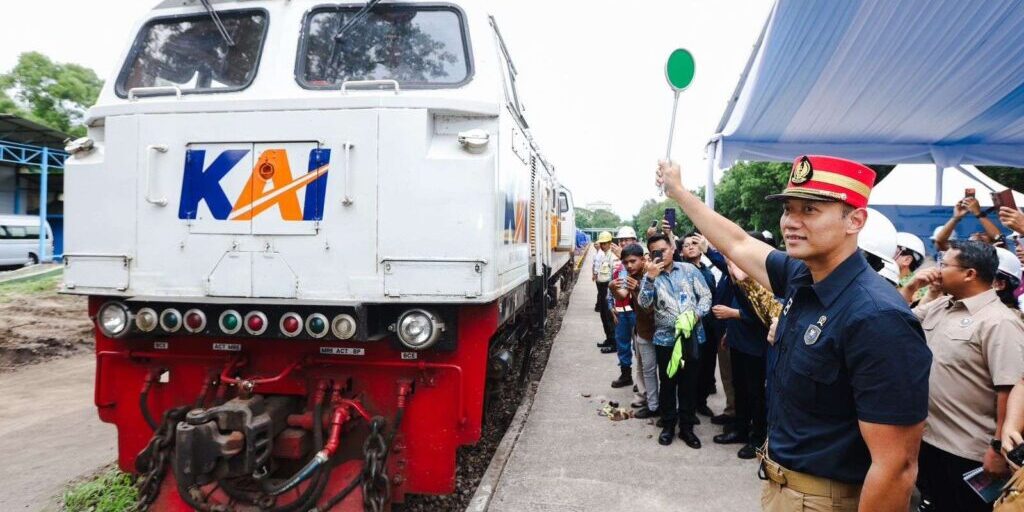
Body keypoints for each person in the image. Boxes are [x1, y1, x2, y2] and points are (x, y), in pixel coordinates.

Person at [657, 155, 931, 512]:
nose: (791, 222)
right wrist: (679, 192)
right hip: (783, 486)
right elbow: (737, 242)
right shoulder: (804, 276)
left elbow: (896, 466)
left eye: (810, 210)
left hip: (826, 499)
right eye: (789, 209)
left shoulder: (877, 318)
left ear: (855, 220)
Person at [900, 241, 1024, 512]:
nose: (938, 270)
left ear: (969, 274)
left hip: (968, 451)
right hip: (929, 440)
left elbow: (1010, 388)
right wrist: (912, 287)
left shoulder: (999, 322)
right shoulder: (941, 305)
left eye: (945, 265)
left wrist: (997, 447)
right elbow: (891, 319)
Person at [637, 234, 711, 448]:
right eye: (655, 252)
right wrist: (650, 277)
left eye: (664, 249)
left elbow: (706, 296)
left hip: (691, 338)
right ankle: (668, 425)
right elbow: (644, 303)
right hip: (665, 341)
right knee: (668, 385)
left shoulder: (689, 270)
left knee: (689, 385)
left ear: (672, 248)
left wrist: (695, 315)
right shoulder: (650, 275)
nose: (661, 254)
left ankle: (687, 428)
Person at [712, 255, 770, 460]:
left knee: (756, 394)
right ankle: (740, 429)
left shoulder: (763, 282)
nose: (731, 267)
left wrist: (734, 314)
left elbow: (767, 315)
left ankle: (758, 439)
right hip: (738, 343)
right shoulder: (737, 282)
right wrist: (730, 332)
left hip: (755, 348)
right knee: (740, 389)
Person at [611, 244, 658, 419]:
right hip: (643, 330)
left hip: (660, 330)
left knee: (662, 372)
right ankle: (652, 405)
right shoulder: (630, 275)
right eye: (626, 263)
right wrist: (611, 287)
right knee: (647, 369)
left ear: (643, 259)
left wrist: (637, 286)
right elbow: (622, 295)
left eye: (633, 261)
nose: (629, 266)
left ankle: (664, 406)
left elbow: (651, 307)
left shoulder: (652, 275)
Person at [679, 234, 720, 418]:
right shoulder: (681, 271)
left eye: (694, 243)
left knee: (707, 367)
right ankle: (688, 407)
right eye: (686, 245)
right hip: (691, 326)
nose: (690, 247)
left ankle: (701, 402)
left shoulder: (708, 271)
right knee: (690, 368)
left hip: (709, 326)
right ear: (681, 251)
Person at [608, 241, 640, 388]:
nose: (624, 243)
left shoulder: (637, 267)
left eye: (628, 239)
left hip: (634, 312)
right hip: (621, 312)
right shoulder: (620, 267)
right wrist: (611, 306)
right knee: (622, 345)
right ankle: (626, 374)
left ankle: (641, 380)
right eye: (622, 240)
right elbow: (616, 290)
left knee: (639, 347)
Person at [934, 196, 1004, 251]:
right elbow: (940, 241)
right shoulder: (963, 254)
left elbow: (999, 239)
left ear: (991, 244)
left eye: (983, 234)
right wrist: (956, 217)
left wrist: (978, 213)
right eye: (975, 233)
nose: (977, 234)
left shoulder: (993, 254)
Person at [592, 231, 617, 352]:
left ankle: (614, 343)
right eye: (601, 243)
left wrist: (611, 293)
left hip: (608, 288)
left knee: (609, 316)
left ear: (610, 243)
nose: (602, 245)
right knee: (603, 315)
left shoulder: (613, 256)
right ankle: (609, 338)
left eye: (605, 243)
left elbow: (614, 276)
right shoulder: (603, 255)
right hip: (602, 288)